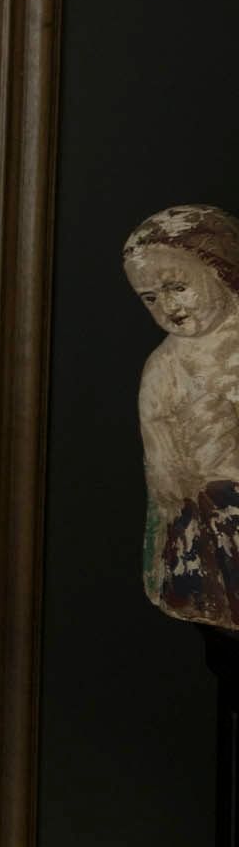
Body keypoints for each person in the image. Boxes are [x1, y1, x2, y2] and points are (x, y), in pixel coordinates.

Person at [123, 204, 239, 629]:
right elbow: (160, 455)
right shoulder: (164, 366)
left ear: (221, 270)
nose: (166, 307)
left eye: (177, 287)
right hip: (203, 516)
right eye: (150, 298)